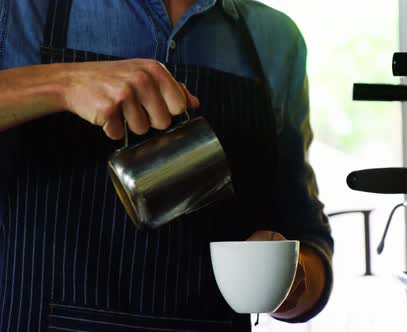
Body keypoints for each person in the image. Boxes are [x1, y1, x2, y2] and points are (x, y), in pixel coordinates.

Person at [0, 0, 333, 331]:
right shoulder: (21, 10)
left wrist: (288, 280)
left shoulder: (274, 38)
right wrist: (63, 83)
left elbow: (304, 232)